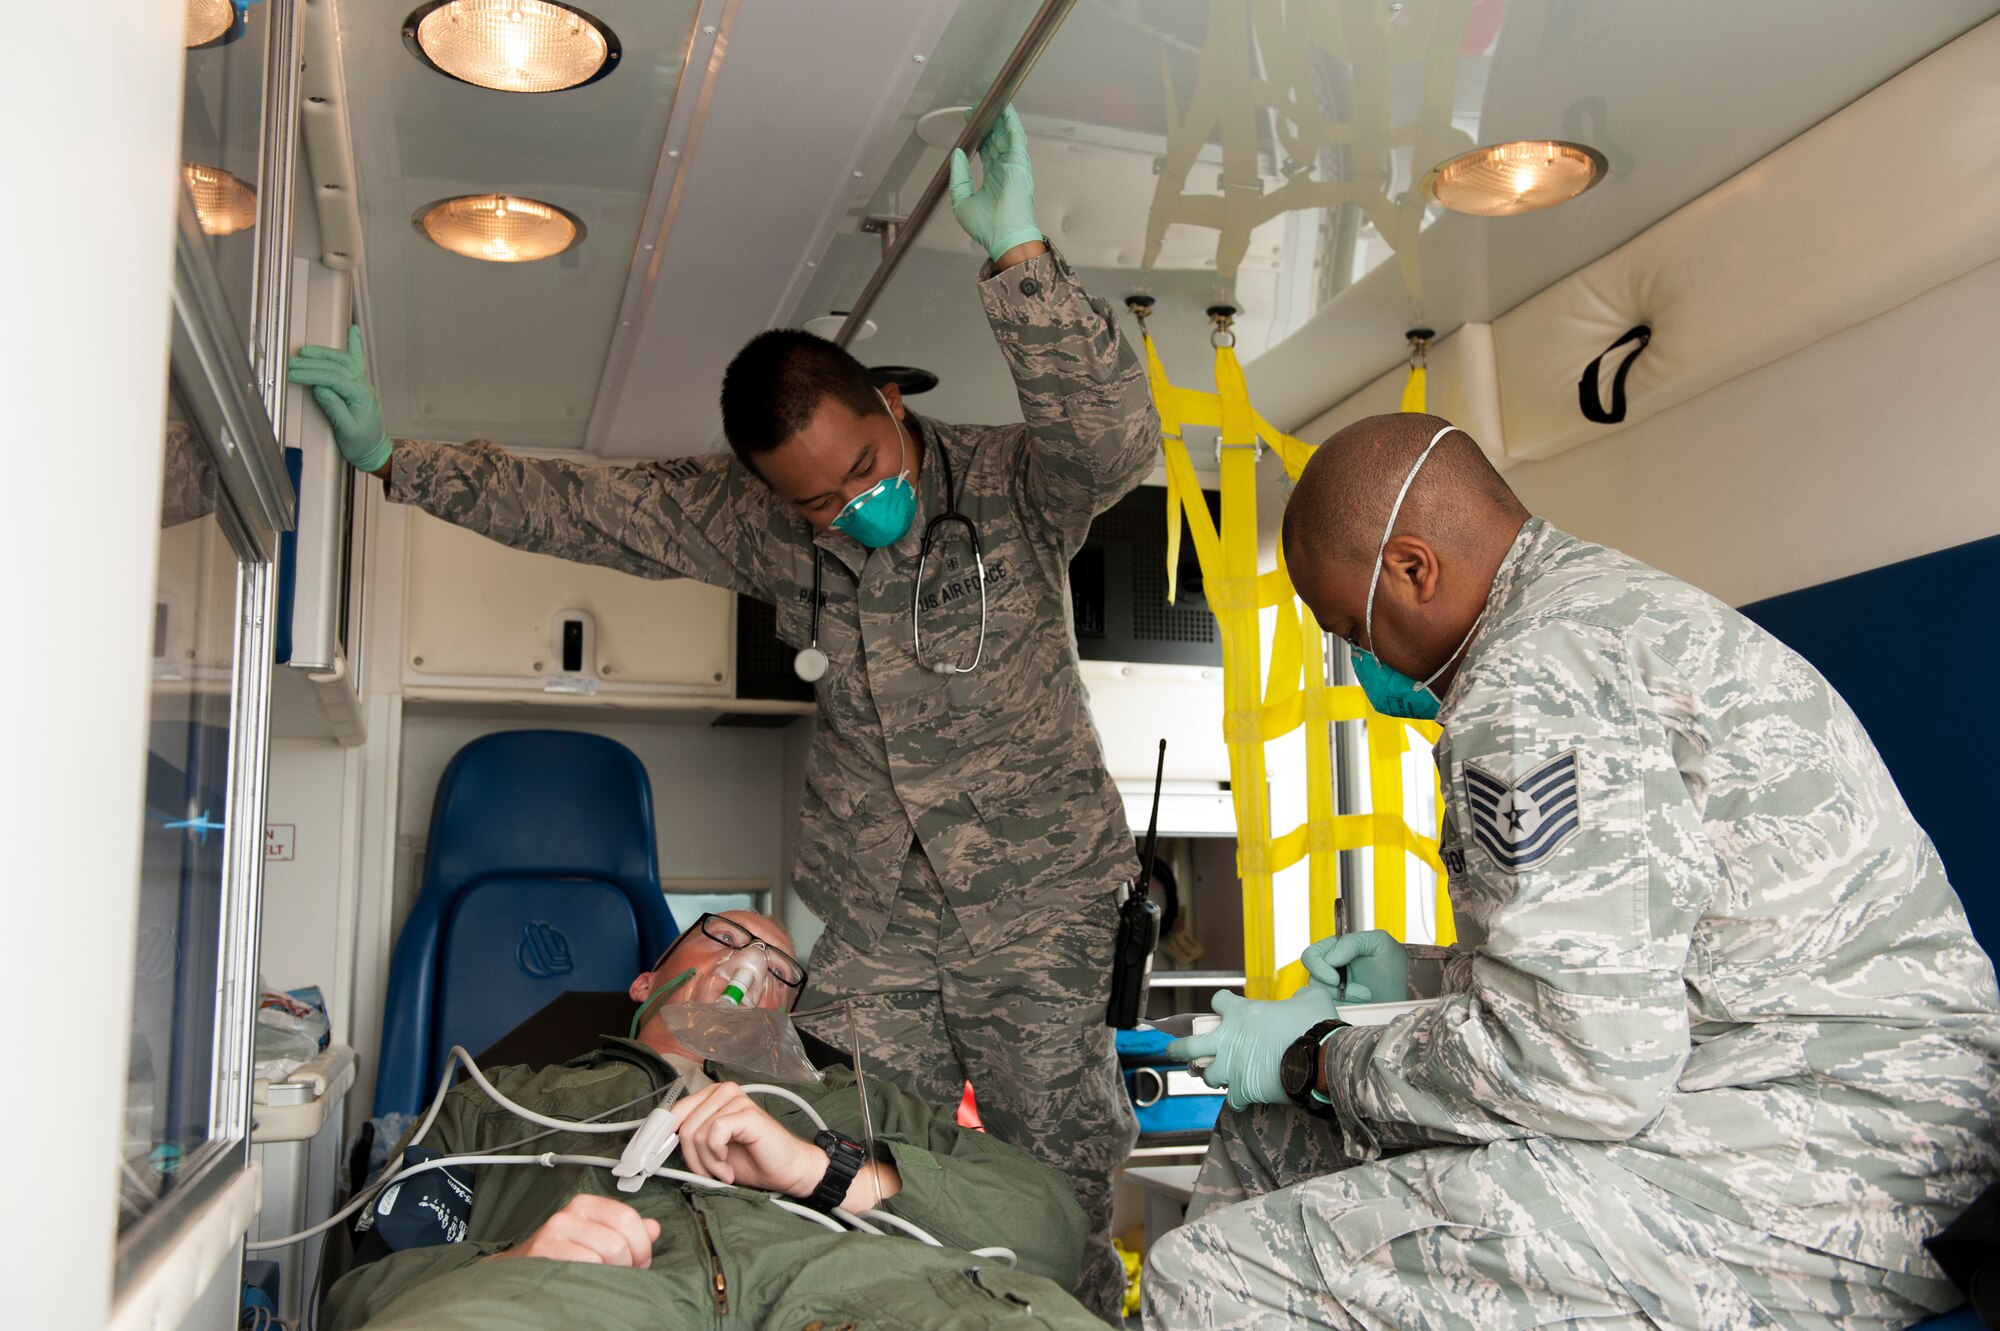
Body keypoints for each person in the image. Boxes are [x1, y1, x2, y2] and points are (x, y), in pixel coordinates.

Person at [289, 106, 1150, 1320]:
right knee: (828, 1160)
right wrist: (393, 460)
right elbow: (580, 507)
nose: (852, 507)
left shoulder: (1011, 483)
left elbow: (1113, 435)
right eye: (815, 504)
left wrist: (1019, 263)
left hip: (1039, 905)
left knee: (1054, 1183)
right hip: (878, 928)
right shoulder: (752, 521)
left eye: (863, 470)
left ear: (890, 409)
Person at [1144, 412, 2000, 1330]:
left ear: (1413, 568)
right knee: (1271, 1130)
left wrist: (1318, 1056)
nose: (1362, 662)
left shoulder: (1533, 684)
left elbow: (1581, 1069)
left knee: (1209, 1276)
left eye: (1351, 627)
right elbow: (1636, 955)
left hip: (1847, 1164)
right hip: (1764, 1092)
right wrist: (1421, 983)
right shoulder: (1588, 611)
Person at [323, 909, 1105, 1330]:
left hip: (864, 1295)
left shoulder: (862, 1103)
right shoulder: (500, 1099)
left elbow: (1052, 1231)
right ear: (645, 981)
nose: (749, 971)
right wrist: (511, 1263)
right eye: (724, 938)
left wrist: (825, 1171)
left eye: (780, 973)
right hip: (582, 1300)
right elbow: (359, 1294)